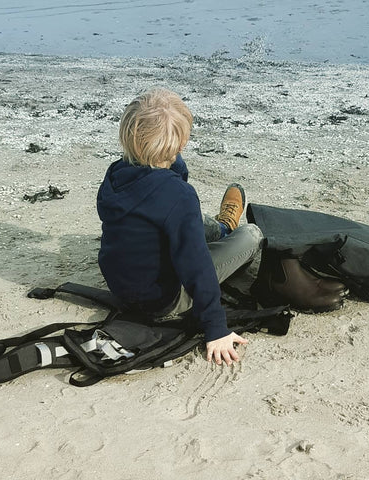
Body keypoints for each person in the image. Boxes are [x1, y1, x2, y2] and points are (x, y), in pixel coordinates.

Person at [97, 88, 264, 366]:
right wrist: (216, 327)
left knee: (188, 218)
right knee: (251, 234)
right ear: (181, 144)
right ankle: (227, 229)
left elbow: (166, 192)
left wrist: (173, 163)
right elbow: (196, 266)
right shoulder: (179, 195)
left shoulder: (115, 173)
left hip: (121, 287)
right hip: (163, 301)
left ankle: (221, 228)